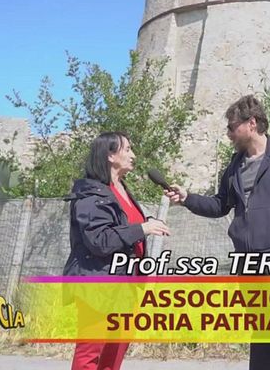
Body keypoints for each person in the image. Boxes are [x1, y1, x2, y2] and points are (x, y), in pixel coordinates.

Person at [165, 95, 270, 370]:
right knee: (260, 337)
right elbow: (220, 205)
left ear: (251, 123)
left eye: (232, 127)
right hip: (249, 264)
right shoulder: (235, 166)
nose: (228, 134)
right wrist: (187, 198)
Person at [63, 131, 170, 370]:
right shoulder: (91, 194)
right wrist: (142, 228)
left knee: (115, 352)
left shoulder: (121, 189)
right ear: (110, 155)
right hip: (98, 285)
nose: (133, 155)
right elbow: (100, 240)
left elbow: (123, 227)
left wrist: (146, 225)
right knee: (90, 354)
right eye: (127, 149)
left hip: (126, 284)